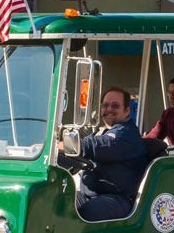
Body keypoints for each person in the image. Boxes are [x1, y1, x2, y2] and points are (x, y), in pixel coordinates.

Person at [59, 87, 153, 221]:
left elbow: (91, 146)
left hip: (118, 198)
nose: (109, 109)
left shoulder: (126, 133)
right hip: (90, 194)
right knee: (57, 204)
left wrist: (56, 146)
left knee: (83, 215)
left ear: (127, 110)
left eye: (115, 106)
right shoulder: (101, 131)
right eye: (105, 105)